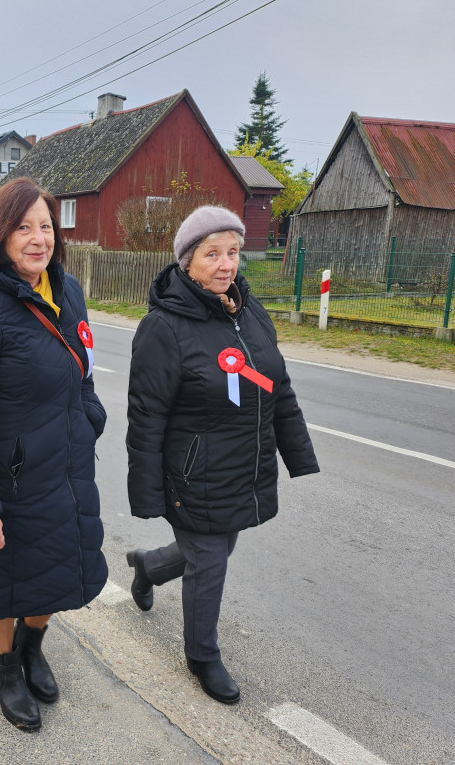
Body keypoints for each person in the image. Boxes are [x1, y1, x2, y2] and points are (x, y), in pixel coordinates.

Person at [125, 205, 319, 705]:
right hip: (193, 473)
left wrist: (298, 453)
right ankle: (202, 656)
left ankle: (147, 567)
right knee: (209, 557)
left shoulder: (249, 311)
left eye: (233, 252)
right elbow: (146, 417)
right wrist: (147, 494)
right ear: (188, 261)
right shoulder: (163, 327)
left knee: (215, 548)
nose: (226, 264)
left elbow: (277, 385)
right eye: (212, 254)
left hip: (242, 465)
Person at [0, 178, 108, 731]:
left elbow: (80, 362)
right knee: (1, 574)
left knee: (57, 565)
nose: (39, 239)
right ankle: (6, 664)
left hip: (64, 463)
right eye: (23, 227)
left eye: (46, 227)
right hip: (4, 475)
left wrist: (89, 413)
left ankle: (34, 645)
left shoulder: (68, 289)